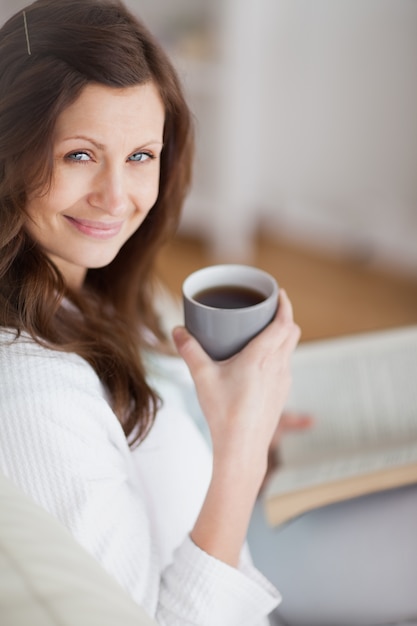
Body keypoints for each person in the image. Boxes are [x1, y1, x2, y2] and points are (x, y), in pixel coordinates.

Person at [0, 1, 302, 624]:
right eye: (78, 155)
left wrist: (246, 433)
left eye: (141, 156)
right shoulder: (32, 394)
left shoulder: (97, 283)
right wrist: (240, 451)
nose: (118, 197)